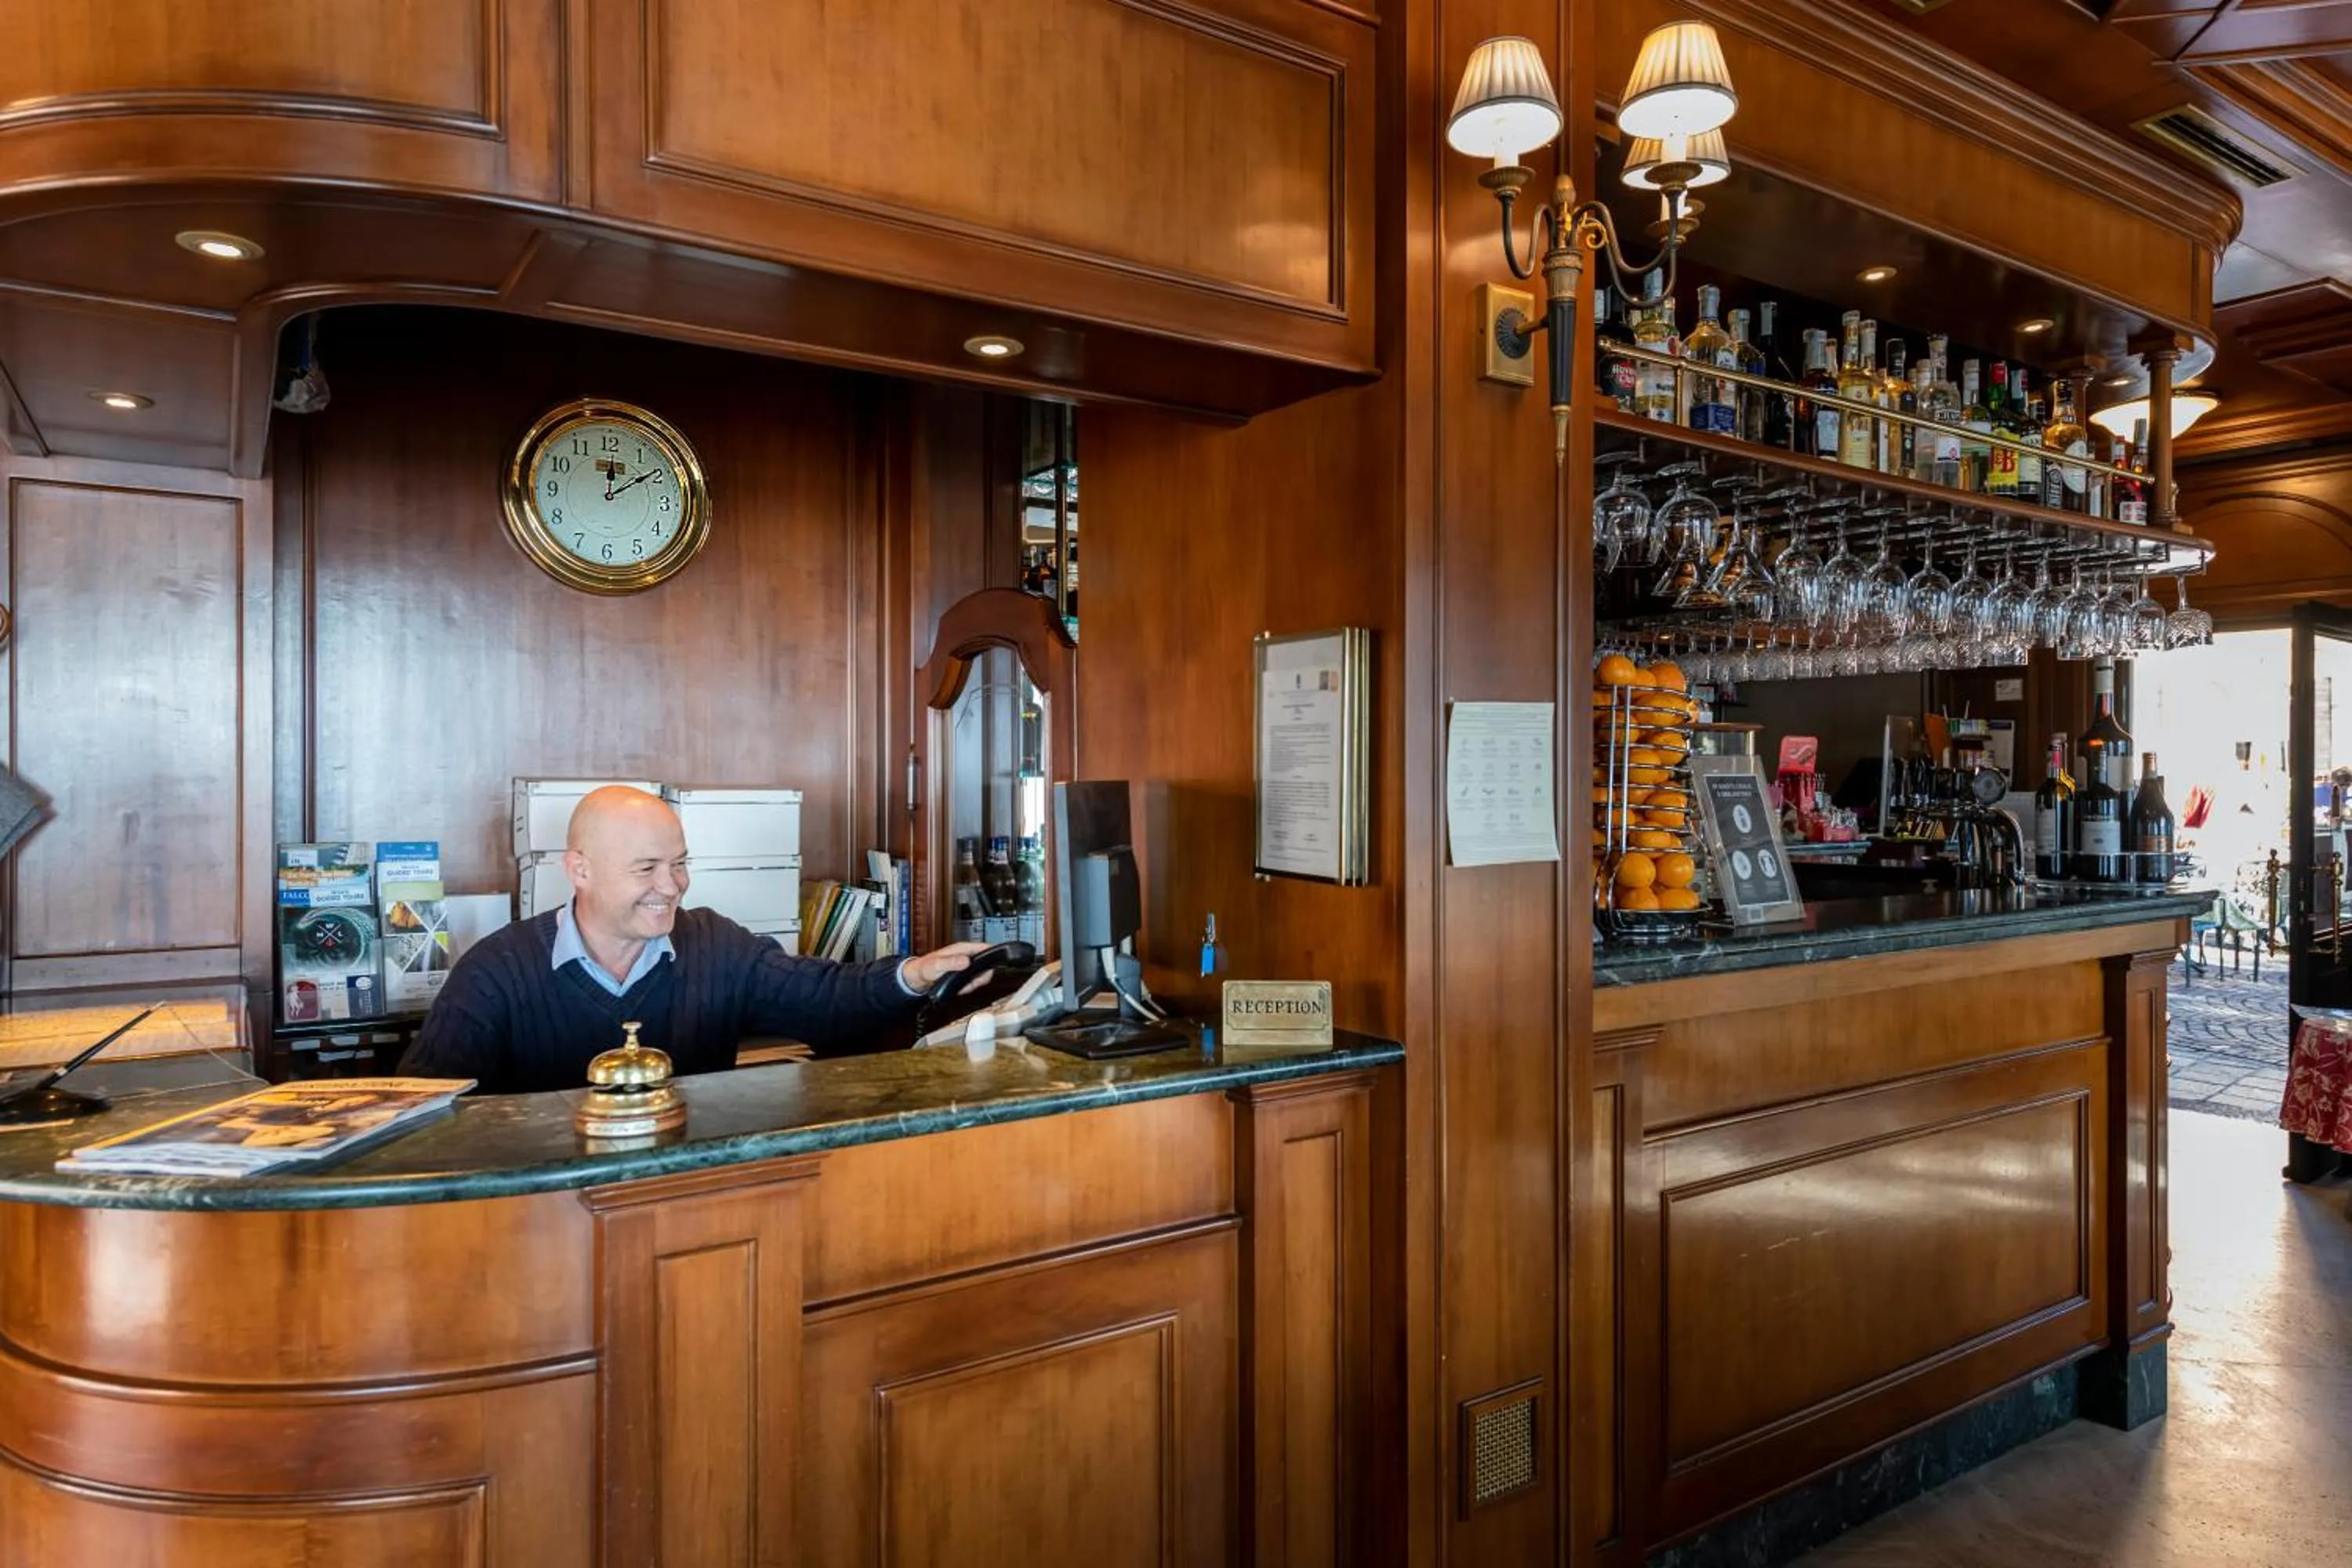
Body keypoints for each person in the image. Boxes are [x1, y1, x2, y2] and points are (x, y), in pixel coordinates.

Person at [398, 786, 983, 1093]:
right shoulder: (496, 972)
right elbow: (426, 1112)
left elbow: (824, 996)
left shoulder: (713, 944)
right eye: (646, 868)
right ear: (579, 870)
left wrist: (916, 974)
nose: (672, 886)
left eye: (679, 863)